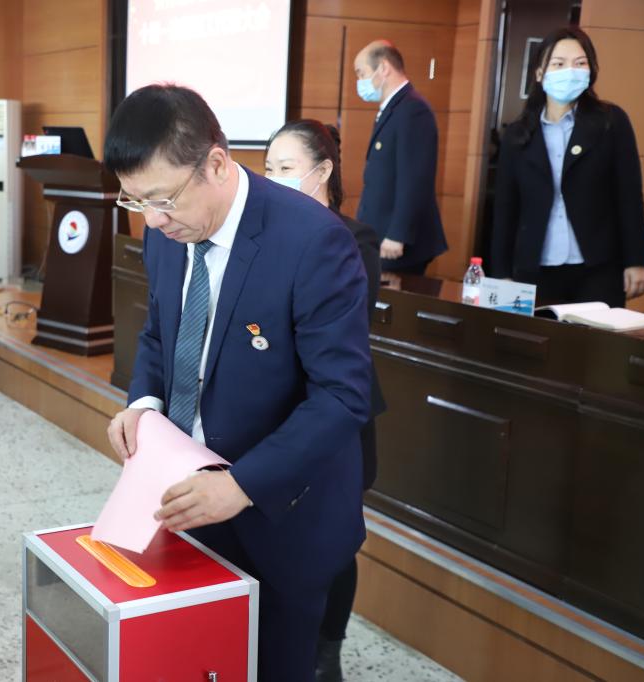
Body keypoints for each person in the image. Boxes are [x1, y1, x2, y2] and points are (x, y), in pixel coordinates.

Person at [104, 85, 371, 680]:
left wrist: (243, 485)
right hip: (185, 503)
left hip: (282, 515)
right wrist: (144, 403)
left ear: (217, 165)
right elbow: (160, 334)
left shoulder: (312, 240)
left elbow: (341, 395)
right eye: (135, 200)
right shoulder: (167, 232)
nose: (152, 219)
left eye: (162, 199)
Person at [265, 119, 387, 682]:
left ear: (323, 171)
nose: (274, 179)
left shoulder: (353, 239)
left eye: (286, 169)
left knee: (334, 537)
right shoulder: (265, 233)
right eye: (268, 169)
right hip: (276, 409)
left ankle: (327, 650)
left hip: (335, 410)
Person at [491, 26, 644, 306]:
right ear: (539, 74)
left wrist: (638, 260)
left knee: (596, 335)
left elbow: (629, 196)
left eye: (580, 63)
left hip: (598, 267)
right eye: (559, 64)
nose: (570, 71)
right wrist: (500, 274)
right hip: (534, 268)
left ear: (591, 71)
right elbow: (505, 207)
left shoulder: (611, 121)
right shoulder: (518, 134)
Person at [354, 40, 448, 274]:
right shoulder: (395, 108)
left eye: (361, 73)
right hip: (380, 234)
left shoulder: (412, 110)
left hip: (397, 242)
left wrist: (398, 234)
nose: (360, 81)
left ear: (383, 68)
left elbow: (415, 178)